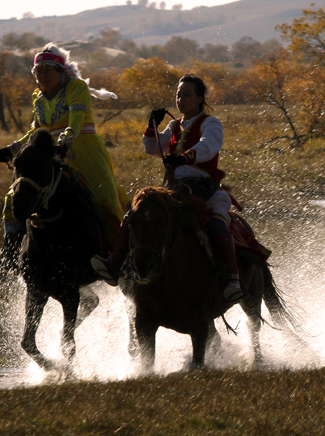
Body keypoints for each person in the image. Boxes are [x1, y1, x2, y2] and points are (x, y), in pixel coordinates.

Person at [91, 74, 244, 304]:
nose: (180, 99)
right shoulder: (175, 124)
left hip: (205, 189)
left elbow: (209, 146)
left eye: (187, 95)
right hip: (174, 189)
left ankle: (232, 279)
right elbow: (153, 148)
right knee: (137, 213)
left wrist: (185, 158)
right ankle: (115, 264)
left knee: (216, 223)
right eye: (178, 95)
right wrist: (151, 126)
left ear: (200, 98)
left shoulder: (210, 123)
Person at [0, 43, 129, 273]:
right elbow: (36, 130)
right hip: (50, 155)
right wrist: (12, 148)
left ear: (61, 72)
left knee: (103, 199)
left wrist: (68, 137)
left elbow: (76, 118)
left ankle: (119, 259)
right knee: (15, 197)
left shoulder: (76, 88)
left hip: (83, 152)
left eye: (48, 71)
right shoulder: (38, 97)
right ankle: (10, 255)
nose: (43, 76)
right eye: (38, 72)